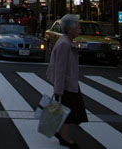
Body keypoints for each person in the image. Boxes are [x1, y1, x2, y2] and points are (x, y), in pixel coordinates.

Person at [46, 14, 88, 149]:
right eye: (77, 26)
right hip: (66, 85)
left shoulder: (67, 41)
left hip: (69, 83)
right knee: (68, 111)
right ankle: (65, 138)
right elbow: (60, 68)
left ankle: (62, 133)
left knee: (68, 110)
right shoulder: (64, 44)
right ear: (69, 29)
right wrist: (58, 89)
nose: (80, 29)